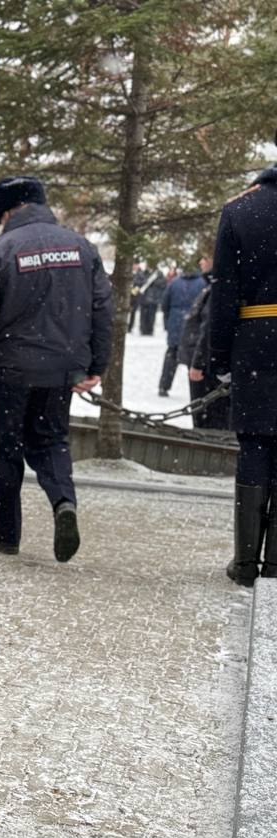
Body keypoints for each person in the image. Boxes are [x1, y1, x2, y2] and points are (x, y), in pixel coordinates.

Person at [0, 176, 112, 562]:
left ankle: (5, 534)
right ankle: (64, 501)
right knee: (52, 440)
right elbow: (102, 309)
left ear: (5, 212)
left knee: (6, 448)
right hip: (60, 367)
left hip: (8, 368)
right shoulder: (82, 247)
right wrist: (97, 363)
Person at [208, 143, 277, 586]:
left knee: (254, 444)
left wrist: (219, 355)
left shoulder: (242, 210)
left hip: (257, 339)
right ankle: (276, 565)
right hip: (259, 337)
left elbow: (224, 293)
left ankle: (247, 562)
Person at [182, 255, 230, 430]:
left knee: (207, 419)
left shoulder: (219, 288)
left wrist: (198, 363)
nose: (201, 262)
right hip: (206, 362)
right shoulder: (212, 286)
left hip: (207, 367)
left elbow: (209, 328)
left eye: (205, 258)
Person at [158, 260, 207, 397]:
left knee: (172, 356)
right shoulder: (203, 283)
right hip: (194, 326)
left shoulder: (174, 283)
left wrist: (168, 322)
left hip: (176, 322)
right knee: (193, 360)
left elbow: (165, 304)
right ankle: (196, 391)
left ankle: (164, 386)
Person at [139, 266, 166, 336]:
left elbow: (163, 284)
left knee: (151, 316)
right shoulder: (142, 273)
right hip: (144, 299)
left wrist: (154, 282)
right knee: (143, 316)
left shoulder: (159, 274)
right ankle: (143, 330)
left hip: (154, 299)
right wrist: (144, 282)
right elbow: (137, 283)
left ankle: (150, 330)